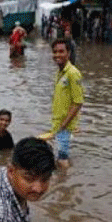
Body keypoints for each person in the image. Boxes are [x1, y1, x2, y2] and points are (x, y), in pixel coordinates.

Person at [38, 38, 84, 168]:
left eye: (61, 51)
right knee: (61, 155)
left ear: (68, 53)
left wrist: (63, 126)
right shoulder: (60, 72)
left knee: (62, 159)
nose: (57, 55)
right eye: (55, 52)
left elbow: (78, 102)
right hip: (58, 123)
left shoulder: (73, 73)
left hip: (64, 125)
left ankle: (65, 185)